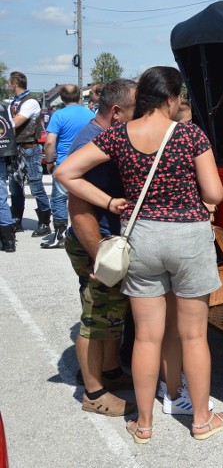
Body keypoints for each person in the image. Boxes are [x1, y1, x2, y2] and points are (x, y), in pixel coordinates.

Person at [56, 66, 223, 443]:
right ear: (170, 98)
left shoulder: (118, 135)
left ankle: (145, 425)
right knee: (193, 336)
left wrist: (109, 201)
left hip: (143, 237)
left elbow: (66, 172)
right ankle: (201, 421)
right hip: (187, 238)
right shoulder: (189, 134)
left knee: (147, 338)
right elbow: (214, 194)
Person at [66, 78, 137, 416]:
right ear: (117, 112)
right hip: (95, 242)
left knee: (111, 312)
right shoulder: (91, 142)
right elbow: (78, 208)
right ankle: (94, 393)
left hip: (105, 240)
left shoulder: (101, 135)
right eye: (138, 111)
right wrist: (99, 258)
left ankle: (109, 372)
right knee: (96, 315)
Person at [41, 84, 95, 249]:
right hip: (87, 162)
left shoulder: (58, 115)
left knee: (59, 198)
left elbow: (50, 141)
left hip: (65, 162)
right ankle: (86, 233)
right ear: (79, 96)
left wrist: (49, 163)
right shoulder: (90, 113)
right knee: (86, 198)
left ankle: (60, 234)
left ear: (62, 97)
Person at [7, 71, 52, 236]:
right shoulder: (15, 101)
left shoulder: (30, 101)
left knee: (36, 186)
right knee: (15, 186)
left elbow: (15, 122)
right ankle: (17, 219)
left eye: (9, 83)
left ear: (14, 84)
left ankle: (44, 221)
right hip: (16, 149)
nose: (8, 86)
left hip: (29, 148)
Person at [0, 101, 17, 252]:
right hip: (2, 154)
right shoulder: (3, 108)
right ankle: (9, 241)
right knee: (1, 197)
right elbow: (11, 130)